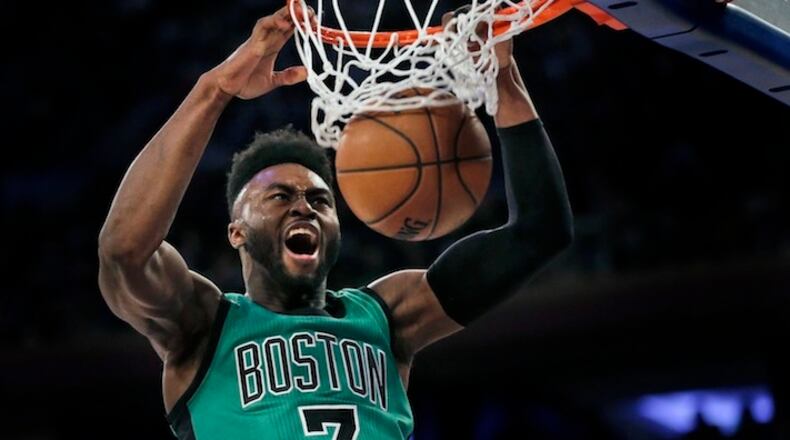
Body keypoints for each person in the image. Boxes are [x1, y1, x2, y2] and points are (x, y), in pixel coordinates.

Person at [98, 5, 573, 439]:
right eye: (279, 196)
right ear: (236, 231)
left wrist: (503, 77)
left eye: (320, 200)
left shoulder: (388, 316)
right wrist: (214, 91)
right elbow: (125, 252)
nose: (303, 206)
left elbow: (539, 232)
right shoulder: (203, 325)